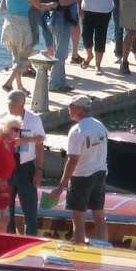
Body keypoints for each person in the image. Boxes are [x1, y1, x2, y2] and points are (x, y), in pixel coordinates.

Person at [50, 96, 107, 244]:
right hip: (100, 173)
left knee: (78, 218)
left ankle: (79, 247)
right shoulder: (100, 126)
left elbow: (72, 160)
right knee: (99, 216)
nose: (68, 109)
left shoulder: (77, 131)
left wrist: (61, 186)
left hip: (82, 176)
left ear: (79, 109)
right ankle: (103, 248)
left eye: (71, 106)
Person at [0, 91, 45, 235]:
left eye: (14, 106)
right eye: (9, 105)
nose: (11, 108)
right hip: (6, 168)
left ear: (22, 104)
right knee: (7, 210)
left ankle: (30, 240)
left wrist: (39, 169)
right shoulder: (2, 118)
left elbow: (40, 144)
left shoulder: (34, 119)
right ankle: (8, 239)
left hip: (26, 167)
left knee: (30, 211)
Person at [46, 0, 82, 93]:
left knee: (60, 53)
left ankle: (61, 82)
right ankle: (54, 84)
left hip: (59, 20)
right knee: (60, 55)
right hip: (61, 21)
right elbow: (63, 1)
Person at [1, 0, 37, 92]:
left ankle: (20, 87)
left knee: (15, 57)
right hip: (22, 27)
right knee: (24, 57)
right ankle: (9, 82)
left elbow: (2, 9)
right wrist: (51, 5)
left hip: (9, 25)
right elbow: (39, 5)